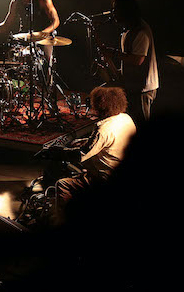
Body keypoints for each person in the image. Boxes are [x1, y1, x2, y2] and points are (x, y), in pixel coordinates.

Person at [50, 86, 136, 224]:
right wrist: (85, 141)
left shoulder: (103, 129)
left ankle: (62, 222)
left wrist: (58, 151)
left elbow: (81, 155)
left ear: (100, 106)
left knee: (62, 184)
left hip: (105, 178)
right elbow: (108, 141)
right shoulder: (126, 118)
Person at [99, 0, 159, 123]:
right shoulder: (128, 30)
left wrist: (112, 53)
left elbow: (138, 60)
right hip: (132, 86)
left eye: (115, 10)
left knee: (141, 125)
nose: (113, 13)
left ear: (125, 10)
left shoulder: (141, 31)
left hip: (143, 89)